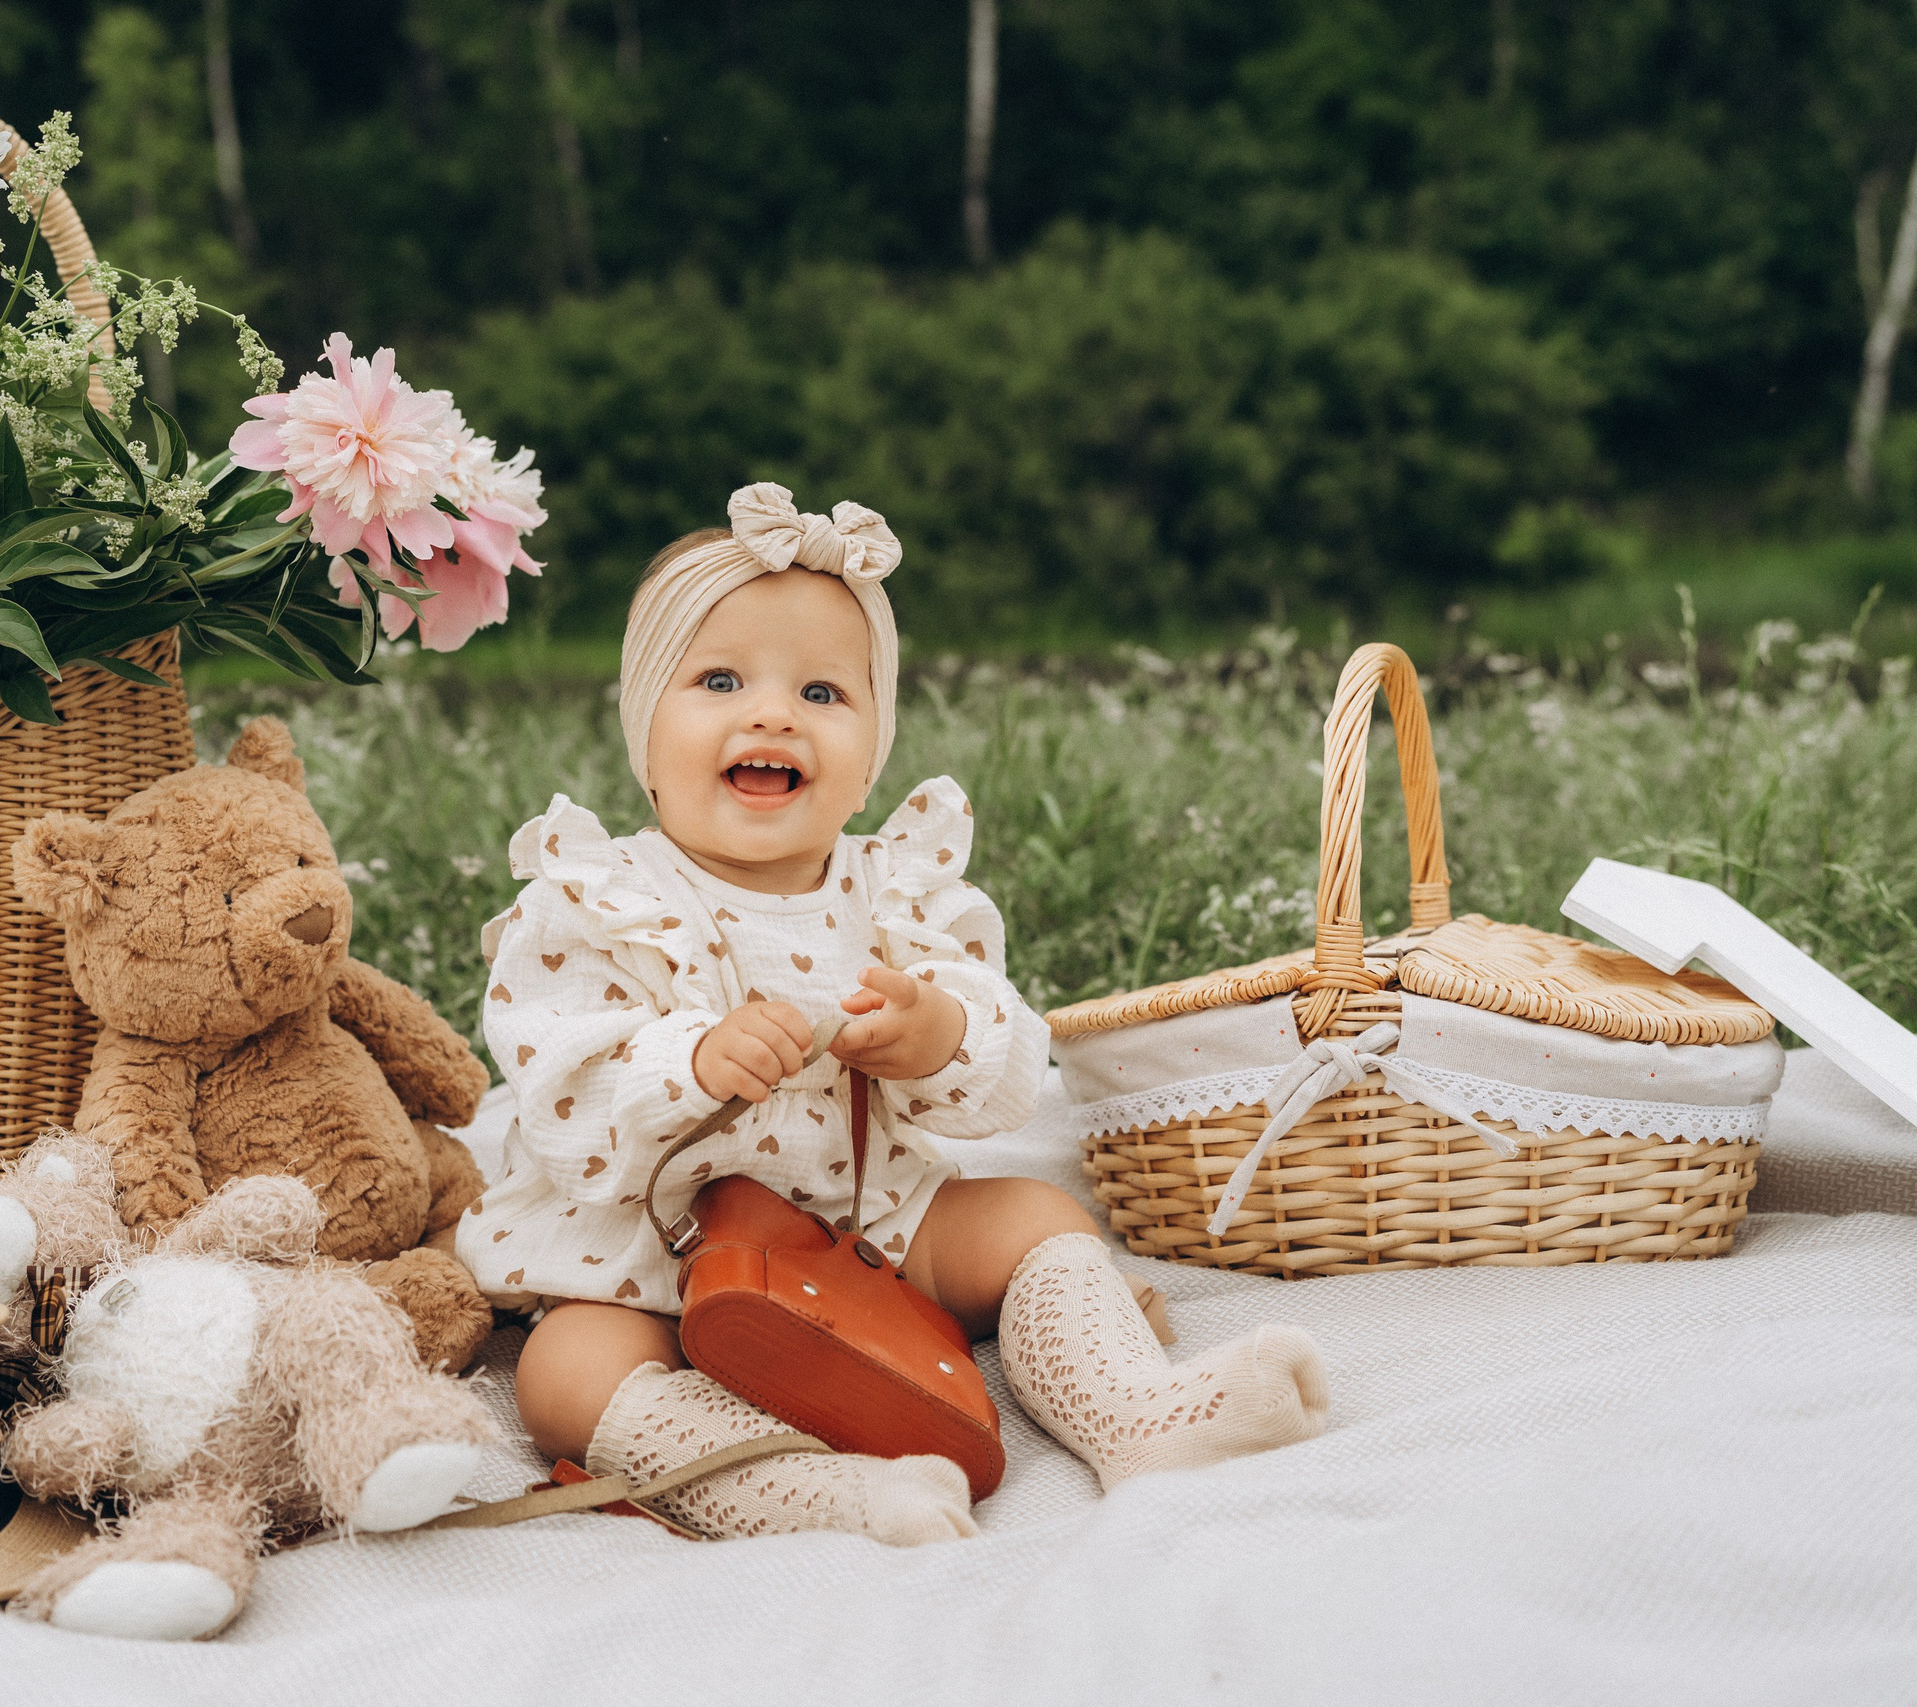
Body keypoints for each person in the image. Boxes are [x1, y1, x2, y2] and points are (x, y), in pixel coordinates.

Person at [458, 483, 1329, 1543]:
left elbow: (1004, 1065)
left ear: (871, 755)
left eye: (822, 691)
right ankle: (815, 1493)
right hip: (652, 1256)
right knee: (566, 1371)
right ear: (645, 732)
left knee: (1037, 1217)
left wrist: (937, 1033)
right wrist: (688, 1060)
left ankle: (1135, 1413)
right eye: (720, 680)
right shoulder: (598, 897)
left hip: (866, 1230)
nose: (771, 714)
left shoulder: (898, 892)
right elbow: (557, 1077)